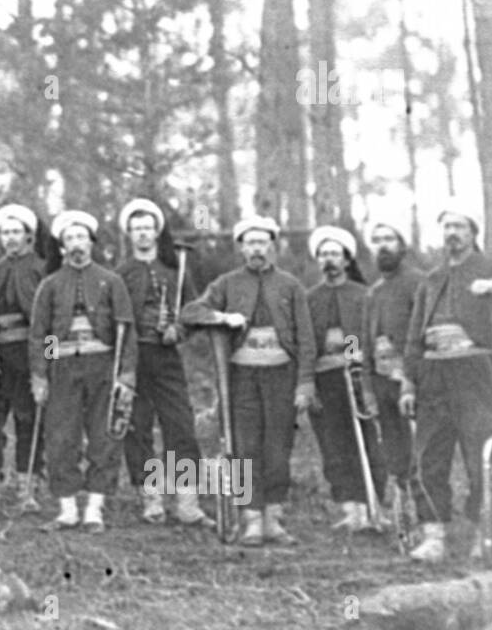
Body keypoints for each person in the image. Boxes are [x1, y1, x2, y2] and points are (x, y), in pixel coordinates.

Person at [180, 216, 315, 547]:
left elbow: (307, 339)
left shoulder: (290, 285)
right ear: (242, 248)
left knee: (278, 447)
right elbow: (189, 312)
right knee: (245, 447)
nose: (257, 249)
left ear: (273, 247)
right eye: (250, 243)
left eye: (263, 243)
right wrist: (223, 317)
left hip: (281, 375)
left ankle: (273, 518)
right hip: (241, 378)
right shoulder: (227, 283)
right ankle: (250, 518)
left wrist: (305, 383)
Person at [400, 202, 492, 564]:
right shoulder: (431, 279)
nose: (453, 233)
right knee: (429, 457)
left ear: (473, 233)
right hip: (433, 376)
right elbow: (413, 338)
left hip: (475, 374)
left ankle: (481, 530)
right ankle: (434, 534)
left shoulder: (490, 267)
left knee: (481, 454)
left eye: (461, 227)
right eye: (447, 227)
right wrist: (408, 383)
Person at [29, 210, 137, 533]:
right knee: (62, 435)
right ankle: (67, 509)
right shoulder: (50, 285)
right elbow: (43, 334)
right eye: (69, 239)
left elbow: (126, 330)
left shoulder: (111, 281)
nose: (76, 244)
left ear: (91, 243)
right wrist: (41, 374)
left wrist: (126, 375)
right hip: (63, 367)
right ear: (61, 247)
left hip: (102, 365)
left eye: (82, 238)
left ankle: (94, 509)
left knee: (104, 435)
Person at [116, 198, 213, 529]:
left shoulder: (176, 269)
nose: (142, 234)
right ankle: (152, 498)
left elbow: (196, 309)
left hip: (166, 357)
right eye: (136, 229)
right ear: (129, 234)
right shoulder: (121, 274)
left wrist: (180, 330)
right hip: (132, 359)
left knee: (180, 425)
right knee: (138, 428)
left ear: (157, 232)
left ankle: (187, 502)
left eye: (147, 228)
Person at [305, 225, 382, 533]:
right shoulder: (310, 298)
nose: (329, 260)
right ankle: (351, 508)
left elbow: (360, 334)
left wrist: (351, 356)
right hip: (325, 380)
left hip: (357, 378)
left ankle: (374, 504)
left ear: (347, 259)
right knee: (334, 445)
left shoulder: (362, 295)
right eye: (323, 254)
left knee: (366, 441)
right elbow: (307, 342)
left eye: (335, 254)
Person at [0, 204, 47, 513]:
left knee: (29, 420)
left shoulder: (43, 271)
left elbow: (53, 324)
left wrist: (47, 362)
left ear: (28, 235)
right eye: (5, 232)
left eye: (16, 232)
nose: (11, 238)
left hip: (30, 356)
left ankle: (27, 489)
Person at [361, 217, 426, 523]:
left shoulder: (418, 283)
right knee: (394, 448)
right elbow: (361, 340)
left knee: (419, 449)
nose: (383, 245)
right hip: (381, 378)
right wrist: (365, 382)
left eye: (389, 238)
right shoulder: (373, 292)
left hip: (411, 379)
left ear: (402, 245)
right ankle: (404, 513)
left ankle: (427, 511)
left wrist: (412, 375)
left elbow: (424, 333)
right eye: (377, 240)